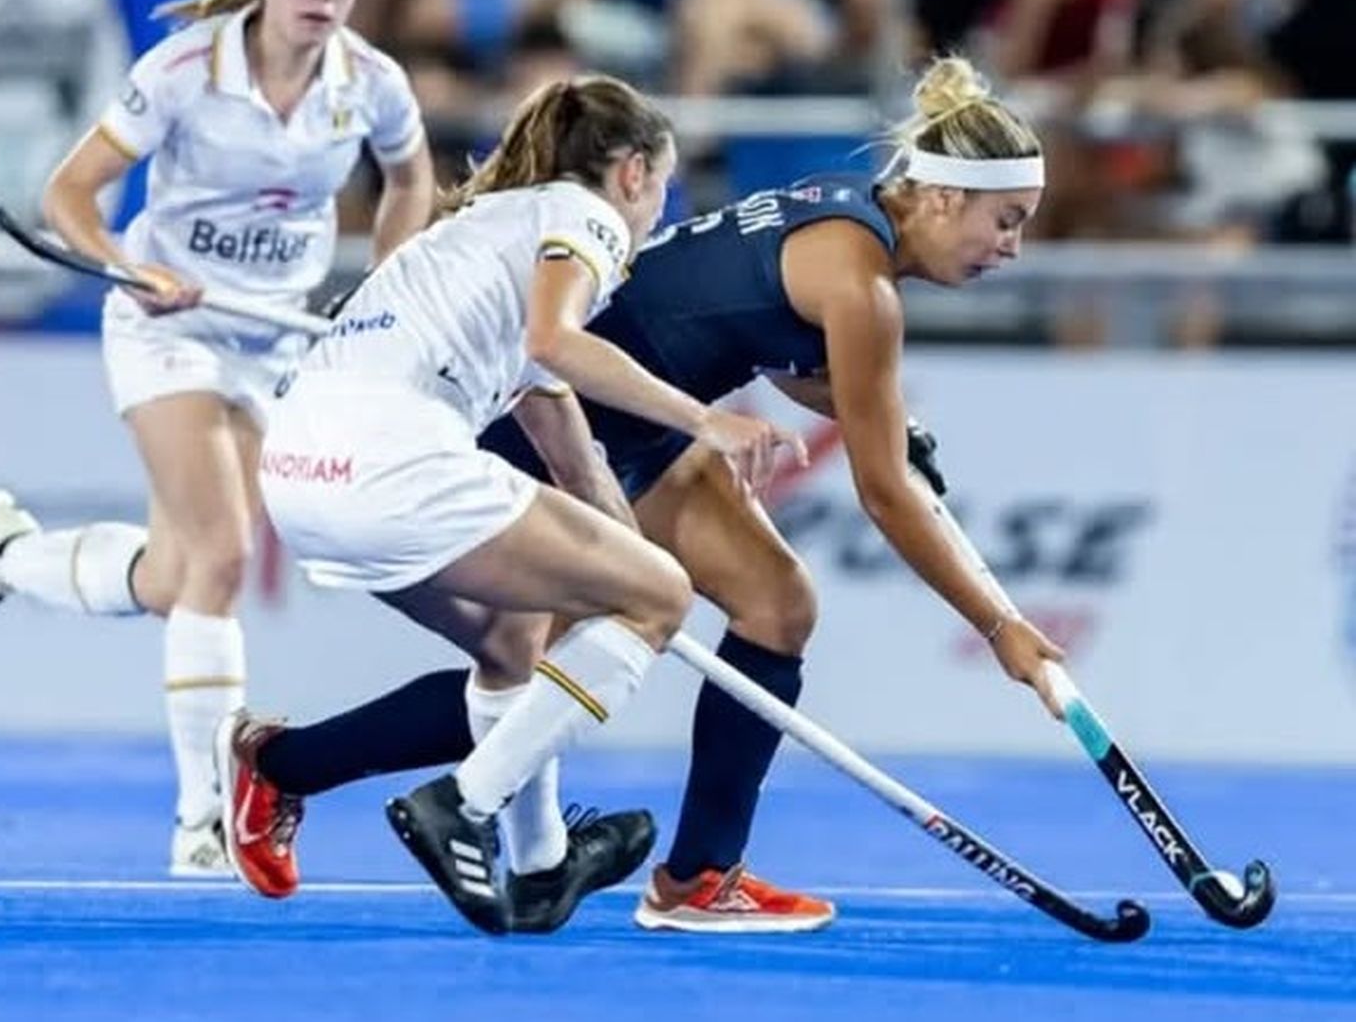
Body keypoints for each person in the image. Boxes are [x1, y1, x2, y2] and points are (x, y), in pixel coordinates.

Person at [219, 55, 1068, 934]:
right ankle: (296, 767)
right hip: (577, 406)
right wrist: (1002, 627)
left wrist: (880, 421)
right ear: (939, 197)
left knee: (773, 606)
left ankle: (695, 876)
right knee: (528, 674)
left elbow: (784, 351)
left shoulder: (842, 213)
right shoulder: (861, 286)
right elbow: (887, 495)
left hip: (640, 421)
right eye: (1006, 221)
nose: (1011, 246)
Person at [217, 73, 804, 935]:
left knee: (516, 643)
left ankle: (539, 868)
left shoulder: (486, 237)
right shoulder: (585, 217)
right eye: (662, 191)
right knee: (666, 592)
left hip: (301, 479)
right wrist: (704, 423)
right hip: (390, 460)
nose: (652, 220)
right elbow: (557, 340)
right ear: (633, 173)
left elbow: (578, 457)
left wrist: (625, 585)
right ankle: (465, 801)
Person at [0, 0, 435, 878]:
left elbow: (410, 181)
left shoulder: (372, 83)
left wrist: (388, 283)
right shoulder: (187, 70)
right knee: (223, 557)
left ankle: (11, 559)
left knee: (178, 575)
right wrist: (129, 267)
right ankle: (203, 821)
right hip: (169, 327)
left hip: (275, 341)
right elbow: (69, 193)